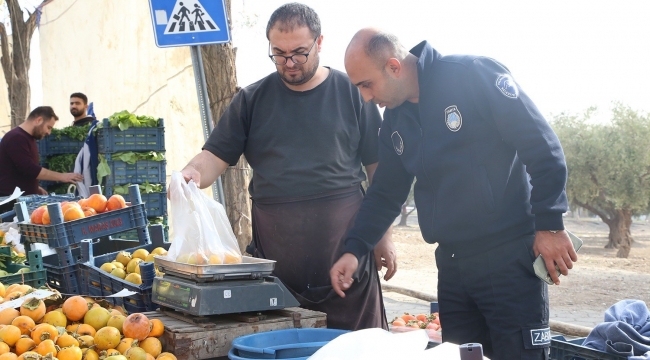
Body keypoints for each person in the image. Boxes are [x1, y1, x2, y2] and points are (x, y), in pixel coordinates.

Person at [329, 28, 577, 359]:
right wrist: (354, 249)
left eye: (366, 84)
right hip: (453, 267)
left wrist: (549, 224)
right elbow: (385, 193)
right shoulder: (394, 123)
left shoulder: (474, 75)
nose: (365, 97)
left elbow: (542, 147)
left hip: (508, 260)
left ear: (393, 66)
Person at [178, 3, 395, 331]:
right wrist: (191, 173)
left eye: (299, 53)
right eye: (278, 53)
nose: (289, 63)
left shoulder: (353, 93)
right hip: (279, 271)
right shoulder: (251, 100)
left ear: (319, 43)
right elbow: (213, 157)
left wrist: (384, 236)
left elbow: (379, 170)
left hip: (349, 259)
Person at [0, 106, 83, 199]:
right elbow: (29, 169)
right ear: (38, 120)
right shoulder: (16, 138)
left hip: (21, 199)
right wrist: (63, 176)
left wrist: (36, 187)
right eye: (48, 127)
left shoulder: (27, 138)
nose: (49, 132)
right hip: (10, 202)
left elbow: (19, 170)